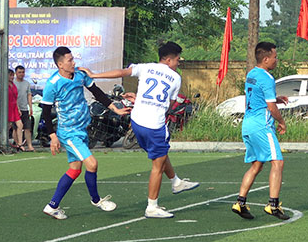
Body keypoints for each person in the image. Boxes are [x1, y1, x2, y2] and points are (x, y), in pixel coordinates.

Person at [83, 42, 200, 218]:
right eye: (177, 60)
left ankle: (176, 182)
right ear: (169, 60)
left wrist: (94, 75)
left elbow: (121, 72)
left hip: (137, 122)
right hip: (154, 125)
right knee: (157, 166)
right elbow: (168, 105)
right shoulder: (176, 78)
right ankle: (152, 207)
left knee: (160, 154)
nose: (178, 63)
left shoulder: (146, 67)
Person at [41, 47, 131, 220]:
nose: (73, 62)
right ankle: (96, 200)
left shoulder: (80, 75)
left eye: (73, 59)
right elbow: (45, 111)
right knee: (92, 164)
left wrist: (115, 109)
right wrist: (53, 136)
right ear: (60, 65)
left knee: (75, 169)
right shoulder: (53, 83)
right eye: (69, 60)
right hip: (68, 133)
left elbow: (97, 93)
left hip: (82, 129)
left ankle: (52, 206)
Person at [232, 42, 291, 220]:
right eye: (274, 57)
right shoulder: (267, 78)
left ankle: (240, 203)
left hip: (248, 124)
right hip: (261, 126)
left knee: (257, 165)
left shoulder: (252, 74)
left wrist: (276, 99)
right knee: (278, 162)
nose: (276, 60)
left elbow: (256, 97)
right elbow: (271, 108)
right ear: (265, 59)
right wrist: (281, 122)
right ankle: (273, 205)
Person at [13, 65, 35, 152]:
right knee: (16, 128)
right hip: (15, 109)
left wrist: (30, 107)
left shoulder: (27, 83)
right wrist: (17, 108)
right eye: (19, 72)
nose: (21, 74)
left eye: (23, 72)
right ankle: (18, 144)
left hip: (25, 108)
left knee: (27, 128)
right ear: (16, 73)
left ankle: (30, 145)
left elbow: (29, 95)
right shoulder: (13, 83)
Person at [7, 69, 24, 151]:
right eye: (10, 75)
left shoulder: (13, 85)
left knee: (20, 125)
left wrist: (18, 109)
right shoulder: (5, 86)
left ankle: (20, 144)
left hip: (14, 107)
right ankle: (4, 142)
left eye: (12, 75)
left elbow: (15, 98)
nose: (12, 77)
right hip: (8, 107)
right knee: (8, 126)